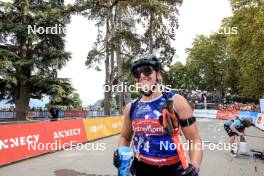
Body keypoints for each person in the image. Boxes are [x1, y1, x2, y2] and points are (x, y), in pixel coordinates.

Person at [113, 55, 203, 176]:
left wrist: (195, 165)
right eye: (137, 73)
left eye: (147, 70)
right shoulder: (131, 107)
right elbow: (125, 137)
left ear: (158, 73)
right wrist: (121, 153)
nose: (142, 75)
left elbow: (194, 139)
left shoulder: (176, 102)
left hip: (172, 169)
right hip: (140, 168)